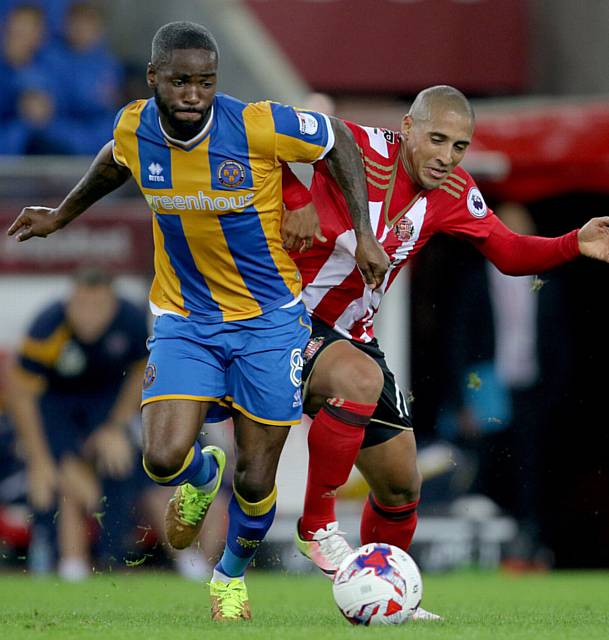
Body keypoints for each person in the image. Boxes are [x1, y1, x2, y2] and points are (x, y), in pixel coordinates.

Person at [7, 21, 387, 621]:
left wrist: (363, 234)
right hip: (187, 318)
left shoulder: (257, 124)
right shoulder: (135, 126)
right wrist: (61, 215)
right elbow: (114, 161)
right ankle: (200, 472)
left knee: (258, 476)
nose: (193, 94)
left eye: (205, 82)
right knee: (161, 458)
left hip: (269, 323)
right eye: (180, 81)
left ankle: (229, 575)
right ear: (154, 77)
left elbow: (336, 137)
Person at [280, 85, 609, 616]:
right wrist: (296, 201)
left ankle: (383, 598)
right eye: (437, 139)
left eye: (459, 146)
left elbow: (507, 250)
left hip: (352, 332)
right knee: (344, 391)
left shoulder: (454, 190)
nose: (447, 156)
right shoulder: (356, 146)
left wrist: (573, 242)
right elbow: (259, 141)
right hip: (283, 318)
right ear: (408, 128)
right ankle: (315, 525)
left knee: (400, 483)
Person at [5, 266, 150, 580]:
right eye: (80, 305)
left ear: (112, 302)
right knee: (56, 482)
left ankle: (113, 561)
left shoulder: (132, 321)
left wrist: (116, 426)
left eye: (97, 306)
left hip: (106, 409)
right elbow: (21, 394)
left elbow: (142, 372)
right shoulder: (48, 326)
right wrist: (40, 459)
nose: (87, 315)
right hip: (56, 412)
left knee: (119, 460)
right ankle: (60, 562)